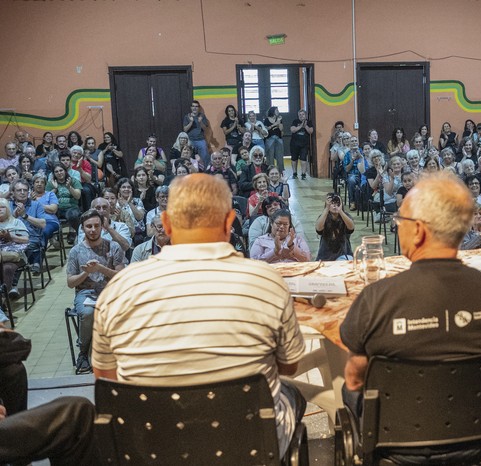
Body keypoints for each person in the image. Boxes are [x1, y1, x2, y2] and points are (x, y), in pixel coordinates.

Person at [91, 174, 307, 455]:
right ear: (230, 223)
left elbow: (106, 379)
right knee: (293, 394)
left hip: (152, 448)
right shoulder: (266, 282)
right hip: (247, 447)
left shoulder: (119, 289)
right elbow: (289, 366)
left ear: (166, 224)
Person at [340, 172, 481, 462]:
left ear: (419, 231)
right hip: (480, 438)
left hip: (397, 444)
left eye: (401, 221)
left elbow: (354, 378)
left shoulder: (376, 299)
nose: (397, 228)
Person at [67, 209, 127, 374]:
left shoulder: (113, 246)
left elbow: (121, 276)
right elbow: (70, 283)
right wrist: (86, 272)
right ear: (83, 228)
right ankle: (83, 352)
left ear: (102, 227)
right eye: (88, 226)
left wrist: (100, 268)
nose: (92, 230)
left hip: (111, 292)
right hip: (86, 294)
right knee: (87, 313)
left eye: (96, 226)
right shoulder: (76, 251)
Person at [9, 180, 48, 276]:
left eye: (25, 190)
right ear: (13, 192)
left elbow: (43, 224)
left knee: (24, 249)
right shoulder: (7, 205)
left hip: (31, 238)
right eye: (19, 190)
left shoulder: (36, 204)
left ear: (29, 192)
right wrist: (14, 214)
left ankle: (13, 284)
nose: (22, 192)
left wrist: (24, 215)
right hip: (10, 238)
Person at [315, 193, 354, 260]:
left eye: (337, 203)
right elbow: (318, 229)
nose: (335, 205)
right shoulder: (324, 217)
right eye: (332, 203)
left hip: (343, 254)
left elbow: (351, 228)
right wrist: (326, 209)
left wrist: (340, 211)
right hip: (325, 256)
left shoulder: (345, 216)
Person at [183, 100, 210, 166]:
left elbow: (205, 129)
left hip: (200, 139)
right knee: (189, 157)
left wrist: (200, 122)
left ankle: (205, 171)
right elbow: (185, 130)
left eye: (196, 106)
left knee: (205, 157)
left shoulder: (202, 116)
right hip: (190, 140)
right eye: (193, 106)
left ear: (199, 108)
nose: (195, 108)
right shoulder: (187, 116)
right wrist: (191, 122)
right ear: (191, 107)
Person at [290, 109, 314, 179]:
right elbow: (292, 130)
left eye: (303, 114)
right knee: (294, 159)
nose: (301, 116)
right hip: (294, 144)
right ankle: (294, 173)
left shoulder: (309, 122)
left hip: (304, 144)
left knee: (303, 159)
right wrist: (301, 126)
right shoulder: (295, 121)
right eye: (300, 115)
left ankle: (303, 174)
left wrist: (305, 126)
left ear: (305, 115)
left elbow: (310, 131)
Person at [264, 106, 285, 172]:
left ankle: (281, 173)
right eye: (276, 110)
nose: (278, 111)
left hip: (278, 139)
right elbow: (266, 129)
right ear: (272, 111)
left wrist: (279, 122)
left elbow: (281, 129)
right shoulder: (266, 120)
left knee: (280, 157)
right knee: (270, 157)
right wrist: (275, 124)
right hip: (269, 139)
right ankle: (270, 172)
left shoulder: (279, 119)